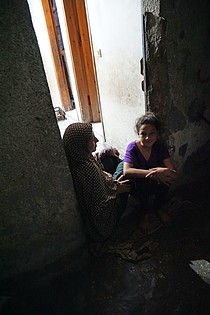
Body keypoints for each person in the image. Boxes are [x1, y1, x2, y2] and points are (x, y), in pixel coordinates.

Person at [63, 122, 131, 243]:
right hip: (104, 222)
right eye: (91, 139)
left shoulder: (77, 158)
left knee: (110, 157)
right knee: (124, 164)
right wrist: (117, 187)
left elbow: (94, 160)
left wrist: (105, 152)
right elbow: (102, 199)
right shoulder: (88, 169)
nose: (97, 139)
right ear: (81, 145)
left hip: (102, 188)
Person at [123, 112, 178, 234]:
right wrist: (152, 174)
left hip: (155, 182)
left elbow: (174, 174)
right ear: (138, 134)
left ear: (157, 134)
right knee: (143, 184)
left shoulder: (160, 147)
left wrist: (163, 171)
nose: (148, 138)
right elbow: (127, 171)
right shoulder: (132, 147)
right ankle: (145, 214)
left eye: (152, 133)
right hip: (138, 185)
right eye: (143, 134)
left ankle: (158, 207)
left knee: (167, 179)